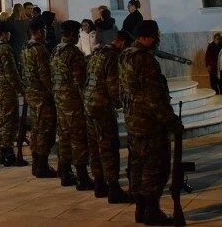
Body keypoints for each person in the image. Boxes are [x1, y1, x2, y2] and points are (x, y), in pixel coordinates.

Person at [120, 19, 182, 225]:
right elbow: (153, 96)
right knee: (156, 167)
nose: (158, 40)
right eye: (156, 36)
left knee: (137, 165)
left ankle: (140, 209)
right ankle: (152, 211)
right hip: (149, 123)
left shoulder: (125, 55)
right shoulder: (145, 59)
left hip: (133, 120)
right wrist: (171, 121)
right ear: (146, 37)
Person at [83, 29, 131, 203]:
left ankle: (99, 185)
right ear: (123, 43)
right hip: (102, 108)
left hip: (89, 106)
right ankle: (114, 189)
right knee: (109, 147)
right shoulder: (112, 57)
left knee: (95, 148)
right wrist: (123, 105)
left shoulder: (97, 54)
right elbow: (113, 87)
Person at [51, 20, 92, 190]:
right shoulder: (73, 53)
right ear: (72, 34)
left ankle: (66, 172)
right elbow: (80, 81)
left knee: (65, 137)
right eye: (76, 34)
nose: (77, 37)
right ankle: (82, 176)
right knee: (78, 138)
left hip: (60, 100)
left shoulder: (55, 51)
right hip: (73, 101)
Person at [21, 17, 57, 178]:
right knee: (45, 130)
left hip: (31, 94)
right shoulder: (39, 50)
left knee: (36, 129)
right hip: (42, 95)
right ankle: (41, 166)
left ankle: (37, 165)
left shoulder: (25, 48)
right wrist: (54, 92)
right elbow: (45, 75)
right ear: (39, 31)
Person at [0, 23, 23, 167]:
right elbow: (11, 72)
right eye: (8, 33)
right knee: (9, 121)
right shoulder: (4, 48)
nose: (10, 35)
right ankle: (9, 155)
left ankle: (3, 152)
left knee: (2, 120)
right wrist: (20, 88)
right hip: (6, 89)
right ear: (3, 34)